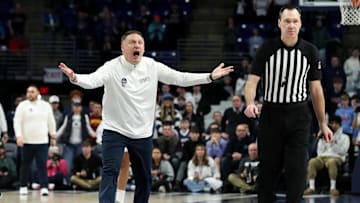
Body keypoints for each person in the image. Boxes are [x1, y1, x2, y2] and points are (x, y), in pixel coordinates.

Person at [58, 30, 233, 203]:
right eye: (132, 42)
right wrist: (75, 78)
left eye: (140, 43)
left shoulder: (152, 66)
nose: (137, 46)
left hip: (142, 133)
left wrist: (209, 77)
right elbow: (93, 80)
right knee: (110, 171)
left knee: (144, 178)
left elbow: (180, 78)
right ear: (122, 47)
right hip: (115, 130)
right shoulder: (112, 67)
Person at [244, 5, 333, 203]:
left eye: (295, 21)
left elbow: (316, 90)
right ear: (279, 23)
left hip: (299, 114)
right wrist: (250, 103)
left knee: (297, 170)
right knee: (267, 171)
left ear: (300, 24)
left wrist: (323, 123)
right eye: (287, 21)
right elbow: (251, 82)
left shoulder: (310, 51)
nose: (291, 25)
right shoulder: (266, 49)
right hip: (271, 114)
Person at [14, 85, 57, 196]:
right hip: (26, 141)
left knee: (42, 165)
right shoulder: (22, 105)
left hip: (42, 141)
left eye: (32, 91)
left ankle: (44, 187)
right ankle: (23, 186)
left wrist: (53, 136)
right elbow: (17, 122)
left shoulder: (46, 106)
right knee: (25, 165)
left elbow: (51, 122)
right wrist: (18, 136)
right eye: (28, 92)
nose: (30, 93)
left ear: (38, 93)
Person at [303, 115, 350, 196]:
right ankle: (311, 187)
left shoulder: (345, 137)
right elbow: (319, 152)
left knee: (331, 162)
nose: (334, 125)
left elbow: (343, 151)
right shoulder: (324, 135)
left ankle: (333, 188)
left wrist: (332, 143)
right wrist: (323, 141)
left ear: (340, 125)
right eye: (332, 123)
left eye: (336, 123)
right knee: (312, 161)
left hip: (336, 157)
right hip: (322, 157)